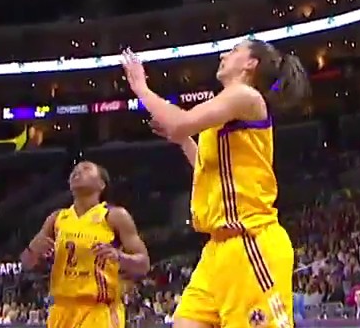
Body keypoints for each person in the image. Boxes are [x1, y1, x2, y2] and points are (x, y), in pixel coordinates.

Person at [120, 40, 308, 328]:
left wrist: (141, 88)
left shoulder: (246, 96)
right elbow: (207, 170)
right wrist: (182, 139)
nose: (223, 54)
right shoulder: (226, 113)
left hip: (249, 241)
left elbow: (180, 122)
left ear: (250, 64)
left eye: (233, 51)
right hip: (217, 248)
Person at [21, 161, 150, 328]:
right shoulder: (57, 218)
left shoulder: (114, 216)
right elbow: (26, 263)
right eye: (75, 170)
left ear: (101, 184)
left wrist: (120, 257)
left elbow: (144, 264)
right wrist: (33, 250)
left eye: (86, 169)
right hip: (61, 311)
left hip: (98, 310)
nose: (78, 172)